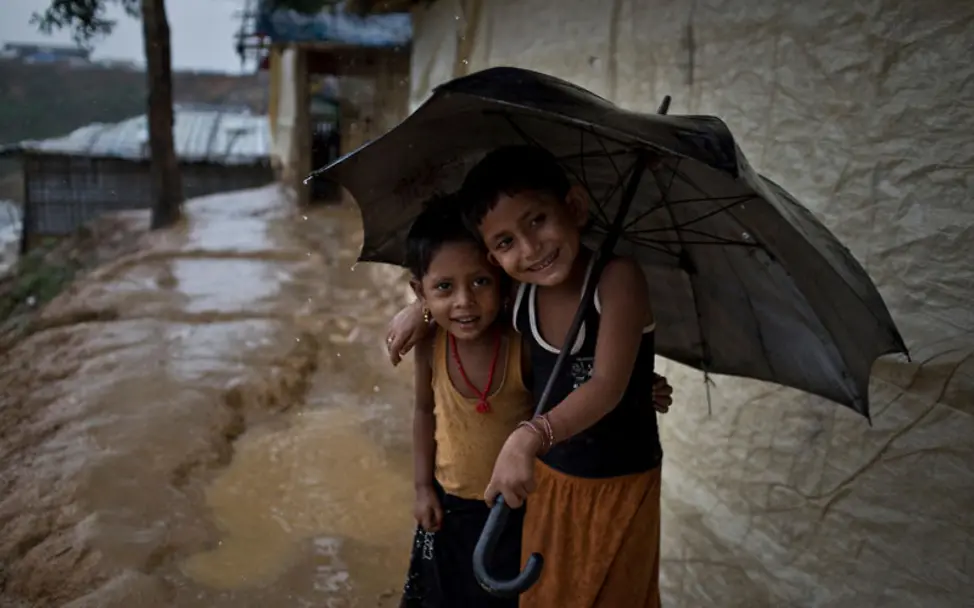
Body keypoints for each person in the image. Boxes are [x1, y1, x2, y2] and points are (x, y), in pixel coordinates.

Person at [387, 146, 672, 607]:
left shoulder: (617, 278)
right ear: (494, 257)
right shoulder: (521, 297)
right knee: (547, 595)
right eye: (505, 243)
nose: (530, 248)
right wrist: (419, 310)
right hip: (548, 483)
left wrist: (530, 435)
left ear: (575, 207)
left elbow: (606, 385)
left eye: (537, 220)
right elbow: (461, 295)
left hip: (616, 483)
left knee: (612, 594)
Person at [399, 195, 531, 608]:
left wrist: (636, 390)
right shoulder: (430, 343)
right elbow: (423, 411)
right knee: (440, 596)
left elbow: (565, 398)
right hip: (448, 503)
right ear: (419, 292)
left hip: (514, 509)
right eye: (443, 287)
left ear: (503, 280)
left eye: (480, 281)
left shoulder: (523, 345)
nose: (464, 302)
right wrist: (422, 488)